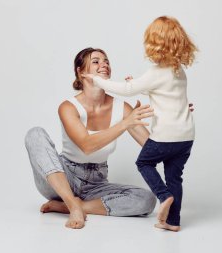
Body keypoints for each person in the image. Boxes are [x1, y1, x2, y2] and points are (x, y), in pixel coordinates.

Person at [82, 16, 197, 232]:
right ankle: (172, 222)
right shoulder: (178, 71)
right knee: (174, 177)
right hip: (186, 138)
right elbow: (162, 91)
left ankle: (164, 197)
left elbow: (127, 91)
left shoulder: (156, 71)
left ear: (154, 42)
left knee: (144, 163)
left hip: (166, 136)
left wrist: (97, 80)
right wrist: (138, 86)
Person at [25, 47, 157, 229]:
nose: (104, 65)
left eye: (106, 61)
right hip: (62, 178)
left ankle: (74, 206)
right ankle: (72, 205)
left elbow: (153, 148)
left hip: (97, 184)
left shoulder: (122, 108)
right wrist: (125, 124)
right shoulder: (68, 107)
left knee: (147, 200)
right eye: (96, 61)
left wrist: (174, 116)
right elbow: (86, 145)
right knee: (35, 134)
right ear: (81, 72)